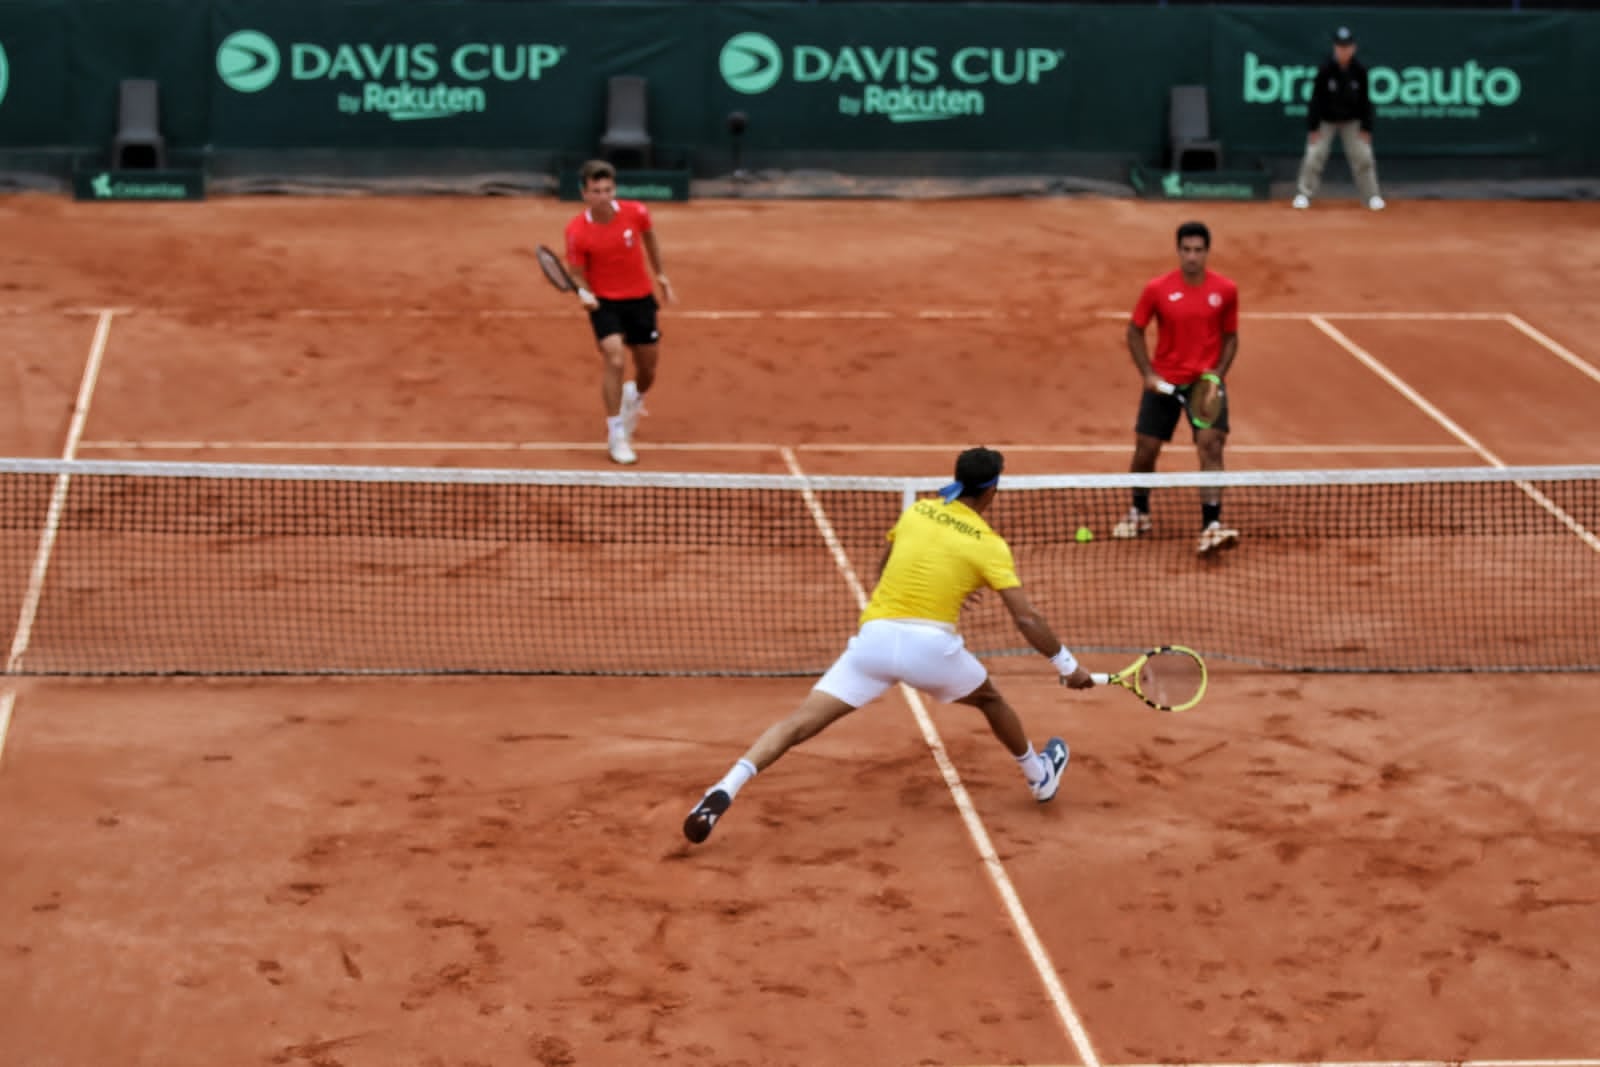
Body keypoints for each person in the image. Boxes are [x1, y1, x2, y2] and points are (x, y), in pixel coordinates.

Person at [682, 446, 1096, 845]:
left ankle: (724, 788)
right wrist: (1068, 667)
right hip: (931, 650)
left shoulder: (917, 511)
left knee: (798, 724)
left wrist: (935, 584)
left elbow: (885, 566)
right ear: (992, 490)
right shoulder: (989, 545)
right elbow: (1025, 617)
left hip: (874, 643)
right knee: (991, 701)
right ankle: (1039, 776)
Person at [1113, 220, 1241, 556]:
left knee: (1211, 446)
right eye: (1186, 250)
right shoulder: (1157, 289)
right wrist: (1148, 374)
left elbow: (1231, 339)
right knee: (1146, 449)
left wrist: (1216, 376)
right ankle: (1139, 512)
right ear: (1178, 251)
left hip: (1204, 385)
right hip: (1164, 382)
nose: (1192, 257)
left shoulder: (1225, 290)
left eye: (1198, 250)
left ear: (1207, 252)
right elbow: (1134, 331)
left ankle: (1211, 524)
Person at [563, 159, 676, 465]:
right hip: (605, 303)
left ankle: (634, 398)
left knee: (648, 370)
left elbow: (650, 240)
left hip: (640, 299)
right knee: (614, 357)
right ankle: (616, 434)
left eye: (608, 190)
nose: (603, 196)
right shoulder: (577, 231)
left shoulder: (636, 212)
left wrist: (661, 275)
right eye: (596, 191)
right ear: (584, 193)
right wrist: (584, 292)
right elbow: (575, 273)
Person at [1292, 26, 1385, 212]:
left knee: (1363, 157)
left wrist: (1366, 128)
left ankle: (1372, 196)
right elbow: (1315, 100)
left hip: (1352, 122)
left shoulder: (1360, 71)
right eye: (1340, 47)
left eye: (1347, 47)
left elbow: (1366, 101)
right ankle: (1304, 194)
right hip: (1326, 121)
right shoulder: (1325, 70)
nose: (1343, 50)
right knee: (1314, 155)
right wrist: (1313, 128)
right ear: (1335, 48)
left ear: (1353, 48)